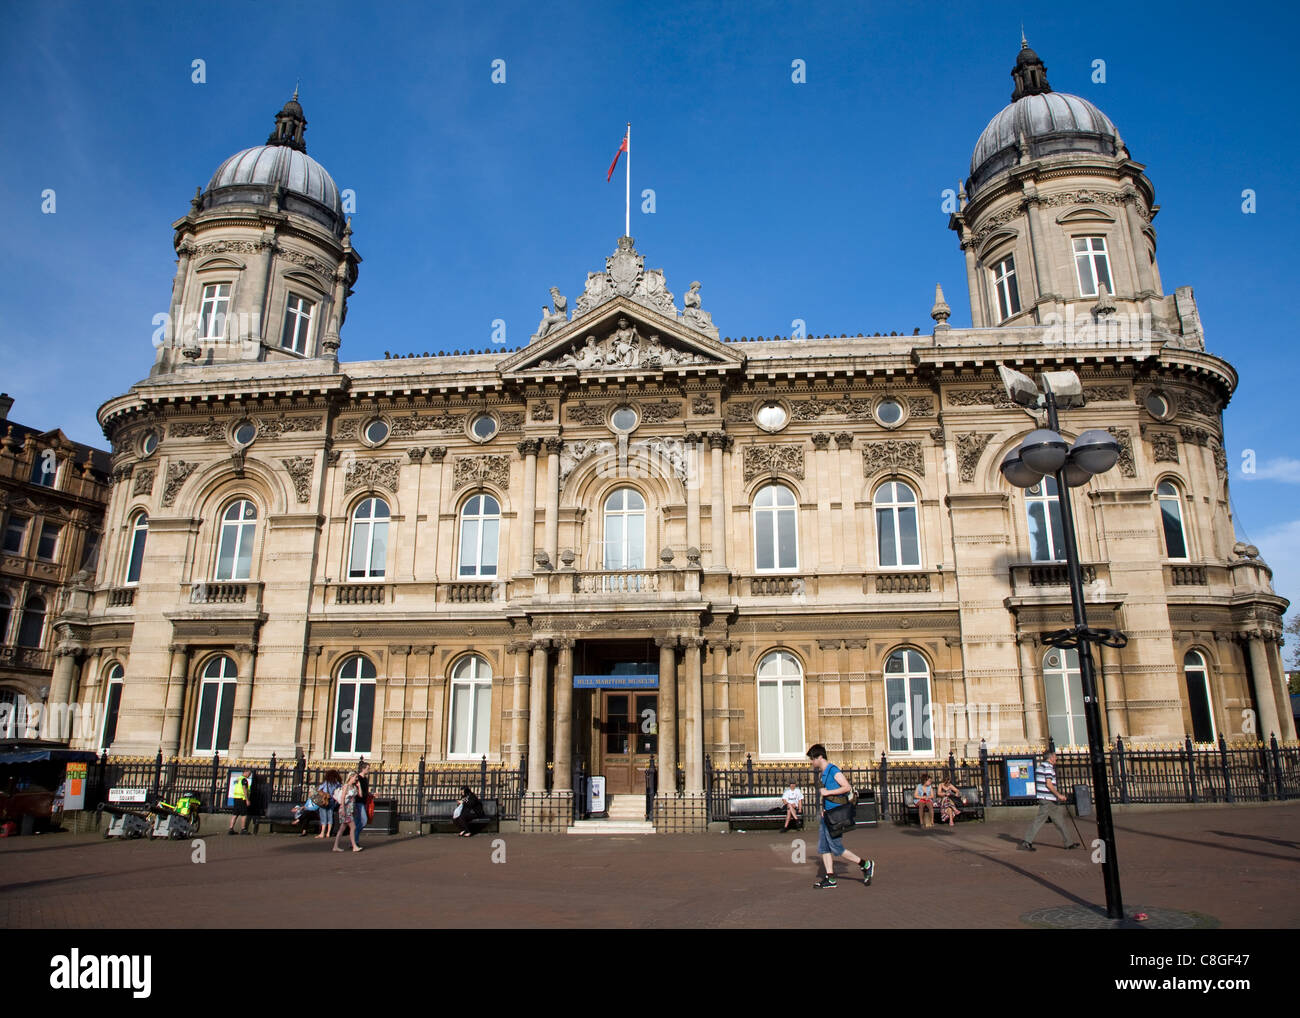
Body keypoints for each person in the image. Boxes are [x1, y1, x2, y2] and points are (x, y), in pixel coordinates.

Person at [807, 744, 874, 889]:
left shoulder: (833, 770)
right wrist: (823, 807)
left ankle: (865, 864)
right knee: (824, 847)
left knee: (837, 849)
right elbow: (824, 793)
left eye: (812, 759)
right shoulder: (822, 773)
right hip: (827, 814)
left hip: (836, 816)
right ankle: (830, 878)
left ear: (819, 757)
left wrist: (828, 793)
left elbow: (847, 787)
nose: (812, 762)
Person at [1019, 749, 1081, 851]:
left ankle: (1069, 843)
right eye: (1055, 756)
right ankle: (1027, 841)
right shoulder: (1048, 768)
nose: (1056, 758)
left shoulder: (1040, 767)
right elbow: (1048, 784)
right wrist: (1059, 795)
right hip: (1048, 799)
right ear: (1051, 757)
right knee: (1039, 820)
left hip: (1047, 799)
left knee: (1059, 820)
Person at [292, 769, 342, 839]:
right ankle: (328, 833)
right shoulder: (337, 784)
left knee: (323, 817)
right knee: (330, 817)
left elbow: (318, 790)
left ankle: (322, 833)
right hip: (331, 801)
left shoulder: (326, 783)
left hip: (323, 801)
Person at [333, 772, 362, 852]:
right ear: (351, 777)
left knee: (342, 828)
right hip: (346, 808)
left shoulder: (354, 787)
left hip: (351, 808)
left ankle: (335, 846)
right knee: (353, 827)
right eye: (355, 777)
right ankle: (354, 846)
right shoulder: (346, 786)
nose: (356, 779)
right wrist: (342, 808)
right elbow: (342, 798)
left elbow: (360, 795)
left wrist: (359, 786)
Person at [227, 769, 252, 835]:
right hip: (242, 799)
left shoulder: (238, 779)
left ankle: (231, 829)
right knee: (244, 814)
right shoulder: (244, 780)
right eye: (249, 773)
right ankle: (243, 829)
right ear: (245, 772)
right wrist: (247, 799)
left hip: (236, 798)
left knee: (235, 814)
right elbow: (244, 789)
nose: (249, 775)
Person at [353, 761, 371, 844]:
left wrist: (371, 794)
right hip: (358, 802)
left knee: (358, 822)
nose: (369, 770)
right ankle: (354, 839)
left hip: (363, 801)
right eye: (367, 768)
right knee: (363, 821)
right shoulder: (358, 778)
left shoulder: (365, 779)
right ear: (363, 769)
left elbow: (365, 791)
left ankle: (354, 841)